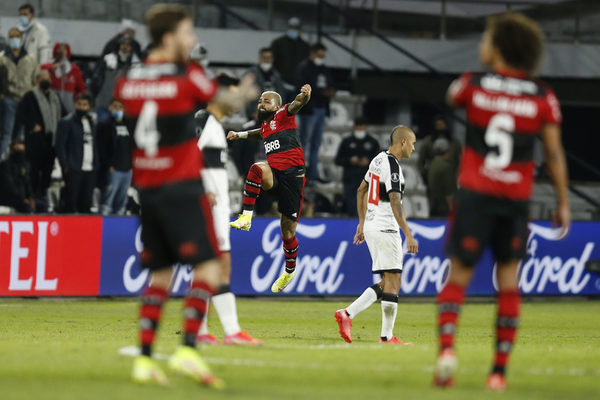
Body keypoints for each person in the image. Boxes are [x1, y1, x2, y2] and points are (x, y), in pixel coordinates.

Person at [114, 3, 256, 387]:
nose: (192, 41)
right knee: (209, 268)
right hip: (182, 186)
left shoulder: (127, 80)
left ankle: (144, 360)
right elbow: (221, 102)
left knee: (160, 276)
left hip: (149, 190)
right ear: (168, 37)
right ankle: (189, 350)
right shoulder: (187, 76)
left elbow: (132, 111)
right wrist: (243, 92)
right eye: (188, 34)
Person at [433, 13, 570, 391]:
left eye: (486, 39)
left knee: (458, 275)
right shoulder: (543, 95)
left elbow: (451, 96)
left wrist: (487, 80)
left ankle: (446, 352)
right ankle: (497, 374)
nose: (481, 46)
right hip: (515, 200)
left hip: (476, 194)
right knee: (508, 281)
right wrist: (562, 201)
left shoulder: (473, 84)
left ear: (499, 48)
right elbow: (554, 155)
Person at [195, 74, 262, 346]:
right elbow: (187, 155)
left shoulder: (214, 125)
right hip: (207, 206)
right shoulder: (203, 121)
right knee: (219, 265)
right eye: (232, 94)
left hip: (217, 207)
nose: (236, 100)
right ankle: (231, 331)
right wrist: (202, 189)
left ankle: (200, 331)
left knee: (210, 267)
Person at [334, 126, 419, 344]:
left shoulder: (378, 159)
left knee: (388, 280)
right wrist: (408, 234)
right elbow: (395, 201)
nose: (413, 148)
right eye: (412, 143)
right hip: (385, 225)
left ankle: (347, 314)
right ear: (402, 142)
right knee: (394, 280)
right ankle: (386, 337)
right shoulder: (392, 166)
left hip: (372, 224)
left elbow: (361, 190)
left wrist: (362, 223)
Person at [227, 85, 312, 293]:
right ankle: (246, 217)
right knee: (257, 168)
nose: (261, 103)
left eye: (266, 101)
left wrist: (304, 95)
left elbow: (297, 104)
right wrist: (240, 134)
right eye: (259, 101)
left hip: (292, 179)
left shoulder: (284, 114)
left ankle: (289, 271)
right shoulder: (266, 125)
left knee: (288, 232)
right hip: (275, 175)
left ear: (276, 105)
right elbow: (260, 134)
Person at [13, 70, 65, 207]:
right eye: (43, 78)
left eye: (48, 78)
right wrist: (32, 125)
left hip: (51, 141)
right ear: (36, 81)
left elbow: (64, 114)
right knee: (34, 172)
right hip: (35, 142)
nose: (46, 80)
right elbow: (20, 114)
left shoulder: (55, 97)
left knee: (47, 172)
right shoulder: (30, 96)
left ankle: (43, 198)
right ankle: (33, 199)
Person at [295, 43, 336, 182]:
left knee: (316, 143)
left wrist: (330, 90)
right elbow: (301, 86)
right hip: (309, 109)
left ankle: (313, 174)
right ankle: (300, 172)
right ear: (312, 53)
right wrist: (320, 92)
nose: (321, 58)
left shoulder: (324, 69)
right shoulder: (304, 67)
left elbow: (330, 83)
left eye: (323, 56)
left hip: (322, 108)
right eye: (319, 55)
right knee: (305, 141)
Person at [55, 93, 99, 214]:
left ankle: (84, 231)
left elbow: (95, 145)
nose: (82, 107)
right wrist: (65, 165)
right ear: (75, 104)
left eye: (85, 105)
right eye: (79, 104)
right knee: (71, 203)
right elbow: (60, 145)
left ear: (89, 106)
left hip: (90, 169)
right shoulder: (66, 122)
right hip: (74, 168)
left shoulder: (92, 122)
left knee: (86, 203)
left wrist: (96, 165)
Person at [0, 27, 38, 159]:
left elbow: (35, 79)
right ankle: (3, 163)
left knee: (21, 135)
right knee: (6, 133)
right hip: (8, 100)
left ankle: (20, 165)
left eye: (17, 36)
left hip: (25, 100)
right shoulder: (2, 58)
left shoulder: (30, 59)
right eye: (12, 37)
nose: (14, 39)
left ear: (22, 39)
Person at [334, 117, 380, 216]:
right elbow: (338, 160)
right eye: (358, 128)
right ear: (354, 127)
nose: (360, 130)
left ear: (366, 128)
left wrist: (369, 162)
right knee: (351, 202)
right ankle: (352, 223)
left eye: (362, 128)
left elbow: (380, 161)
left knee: (366, 202)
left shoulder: (373, 142)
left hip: (367, 178)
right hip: (350, 178)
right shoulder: (347, 141)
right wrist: (350, 160)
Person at [98, 98, 131, 215]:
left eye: (120, 107)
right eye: (115, 107)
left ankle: (119, 225)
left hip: (127, 169)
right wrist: (109, 164)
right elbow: (101, 148)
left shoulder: (129, 125)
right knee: (108, 198)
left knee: (122, 199)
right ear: (110, 108)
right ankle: (104, 221)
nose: (118, 109)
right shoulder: (105, 125)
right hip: (113, 168)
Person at [92, 34, 141, 112]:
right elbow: (97, 80)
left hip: (125, 106)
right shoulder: (107, 60)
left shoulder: (137, 65)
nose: (125, 47)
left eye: (128, 45)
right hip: (104, 103)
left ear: (132, 47)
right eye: (123, 44)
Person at [270, 17, 309, 100]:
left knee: (294, 109)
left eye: (296, 28)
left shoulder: (305, 46)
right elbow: (272, 62)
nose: (293, 30)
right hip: (281, 83)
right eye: (291, 27)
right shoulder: (278, 43)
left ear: (300, 30)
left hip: (298, 85)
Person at [41, 42, 87, 113]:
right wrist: (52, 67)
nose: (61, 51)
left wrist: (77, 104)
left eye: (64, 49)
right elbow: (41, 69)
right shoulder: (49, 68)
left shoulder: (75, 70)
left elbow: (81, 89)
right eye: (59, 48)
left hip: (69, 110)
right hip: (51, 110)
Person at [417, 115, 461, 185]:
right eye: (438, 125)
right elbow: (420, 161)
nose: (441, 127)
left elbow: (460, 160)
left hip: (450, 177)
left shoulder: (454, 142)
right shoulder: (428, 142)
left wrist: (456, 175)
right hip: (434, 176)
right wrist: (425, 176)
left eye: (442, 124)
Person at [0, 140, 35, 213]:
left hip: (24, 198)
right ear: (11, 150)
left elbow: (28, 183)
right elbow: (9, 186)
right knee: (27, 208)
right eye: (17, 150)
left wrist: (30, 197)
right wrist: (22, 199)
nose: (20, 153)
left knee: (44, 206)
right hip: (9, 198)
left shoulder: (25, 165)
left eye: (22, 151)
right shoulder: (5, 165)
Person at [427, 137, 457, 217]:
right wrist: (453, 210)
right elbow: (449, 193)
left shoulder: (432, 164)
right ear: (447, 150)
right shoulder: (446, 167)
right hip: (444, 208)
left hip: (432, 205)